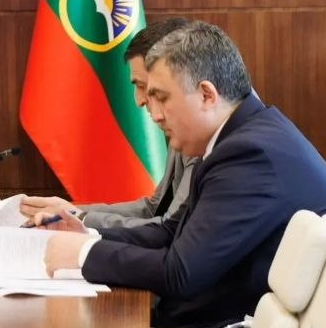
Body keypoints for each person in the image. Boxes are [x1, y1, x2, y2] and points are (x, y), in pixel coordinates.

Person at [37, 22, 326, 328]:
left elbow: (180, 273)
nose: (154, 115)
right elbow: (171, 231)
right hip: (213, 325)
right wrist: (87, 233)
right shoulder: (240, 137)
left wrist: (84, 254)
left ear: (206, 94)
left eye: (161, 98)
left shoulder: (250, 155)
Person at [20, 17, 196, 230]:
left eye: (146, 87)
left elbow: (170, 228)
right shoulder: (181, 127)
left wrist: (82, 219)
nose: (139, 100)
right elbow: (154, 208)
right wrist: (73, 211)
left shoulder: (202, 138)